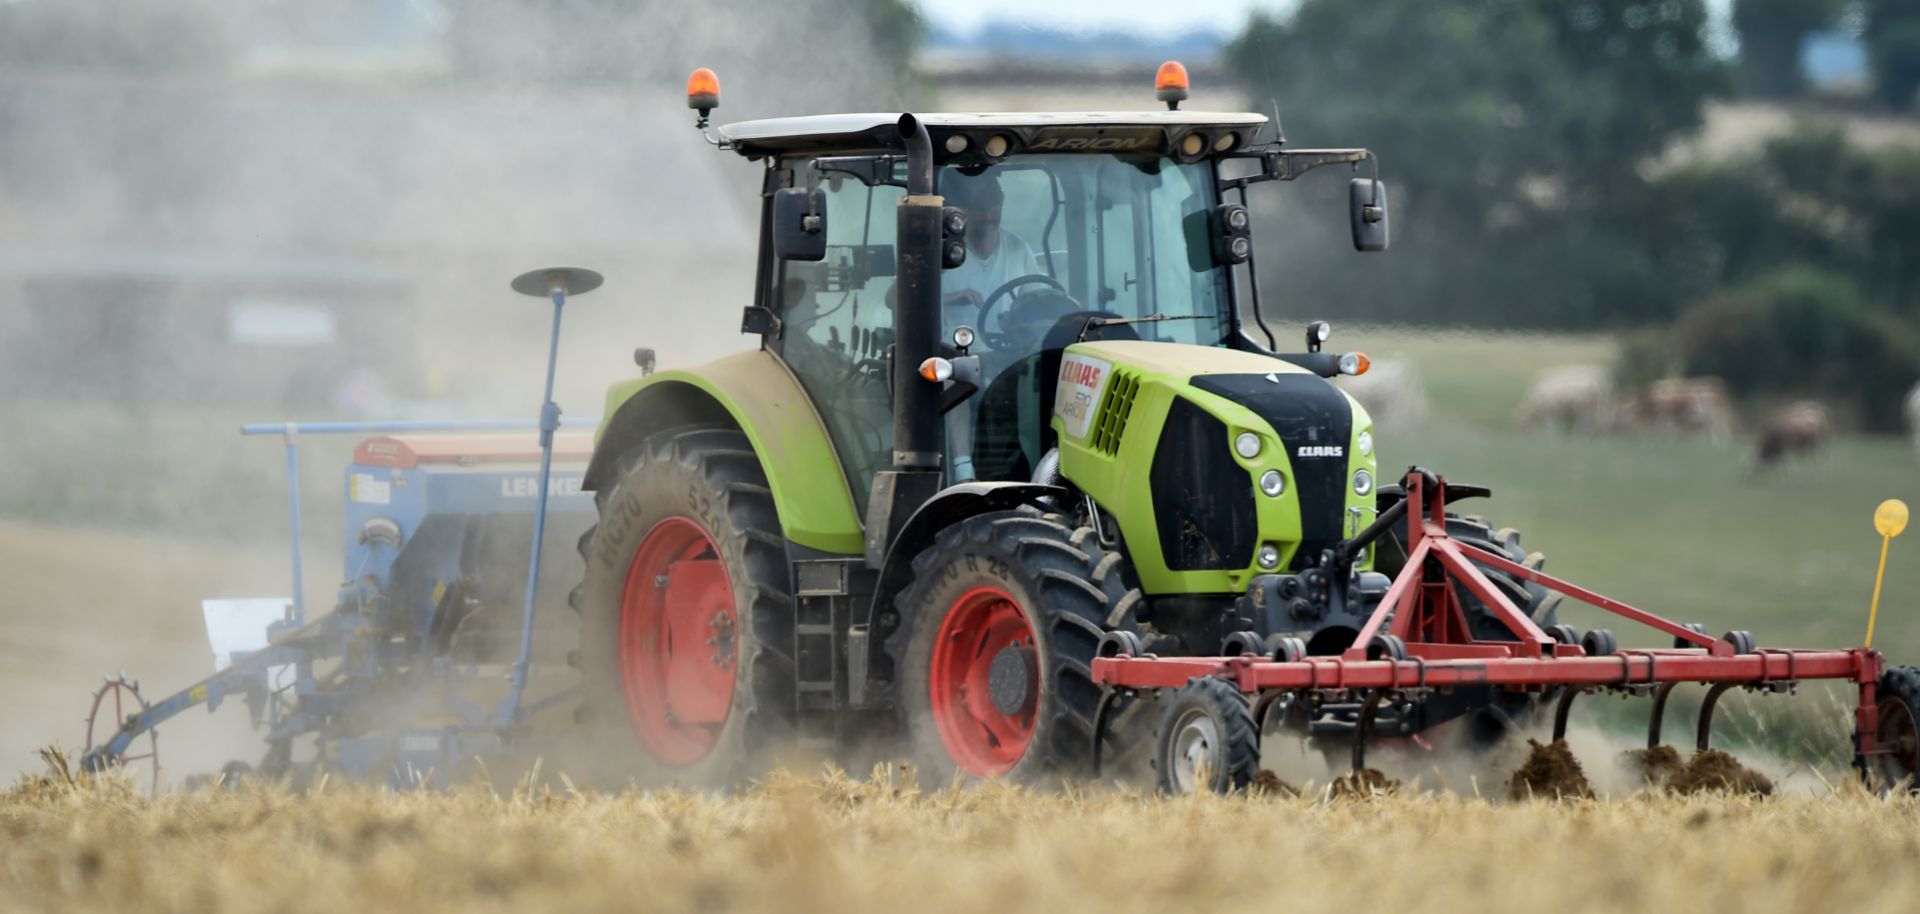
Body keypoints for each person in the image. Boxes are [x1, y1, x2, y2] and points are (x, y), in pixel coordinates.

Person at [940, 171, 1042, 339]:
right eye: (979, 209)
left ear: (1002, 205)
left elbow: (1034, 302)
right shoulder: (941, 248)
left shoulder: (1018, 248)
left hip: (1008, 352)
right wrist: (951, 298)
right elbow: (894, 299)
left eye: (993, 207)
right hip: (951, 354)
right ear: (961, 210)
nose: (988, 216)